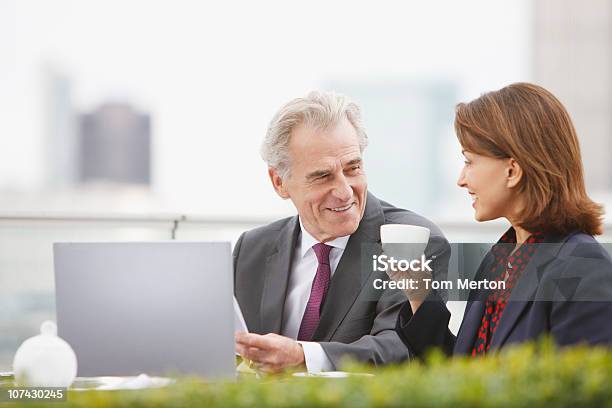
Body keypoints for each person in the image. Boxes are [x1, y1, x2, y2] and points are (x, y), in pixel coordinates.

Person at [234, 91, 450, 373]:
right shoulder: (252, 248)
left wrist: (304, 357)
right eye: (322, 176)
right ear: (279, 182)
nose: (345, 192)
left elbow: (405, 349)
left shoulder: (415, 240)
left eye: (353, 168)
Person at [392, 82, 612, 358]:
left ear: (512, 170)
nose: (461, 180)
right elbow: (468, 373)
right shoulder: (499, 260)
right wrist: (419, 295)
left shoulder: (584, 267)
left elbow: (577, 391)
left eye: (469, 161)